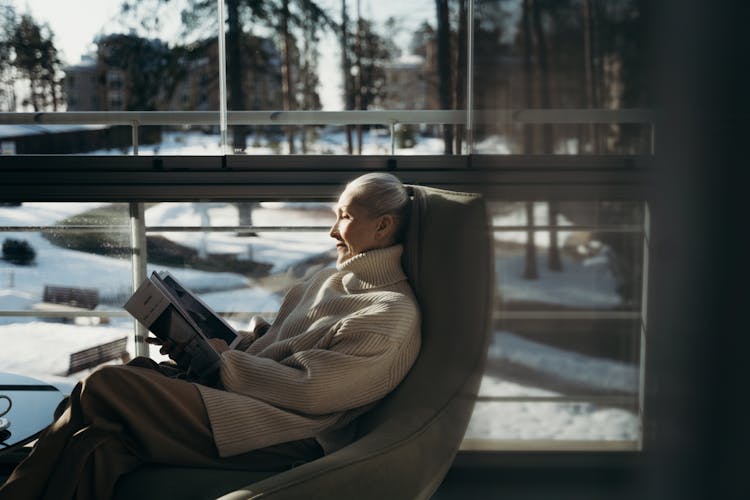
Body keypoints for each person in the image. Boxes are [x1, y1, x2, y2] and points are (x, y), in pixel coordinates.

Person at [0, 172, 421, 500]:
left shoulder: (390, 313)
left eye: (345, 217)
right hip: (249, 401)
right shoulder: (328, 280)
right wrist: (210, 345)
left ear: (383, 227)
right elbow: (275, 345)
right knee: (100, 443)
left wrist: (224, 363)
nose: (332, 231)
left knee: (105, 385)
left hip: (289, 433)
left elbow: (310, 392)